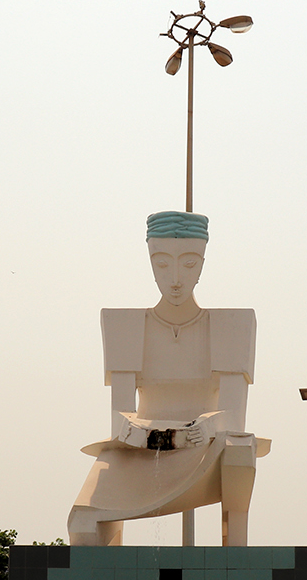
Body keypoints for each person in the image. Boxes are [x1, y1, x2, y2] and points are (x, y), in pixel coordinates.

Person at [67, 210, 269, 546]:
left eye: (188, 264)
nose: (175, 278)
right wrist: (132, 429)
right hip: (140, 450)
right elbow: (119, 414)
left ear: (202, 264)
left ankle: (236, 555)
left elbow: (234, 416)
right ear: (150, 263)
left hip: (204, 447)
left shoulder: (232, 325)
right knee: (82, 521)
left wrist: (207, 425)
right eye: (162, 264)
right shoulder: (126, 326)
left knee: (240, 448)